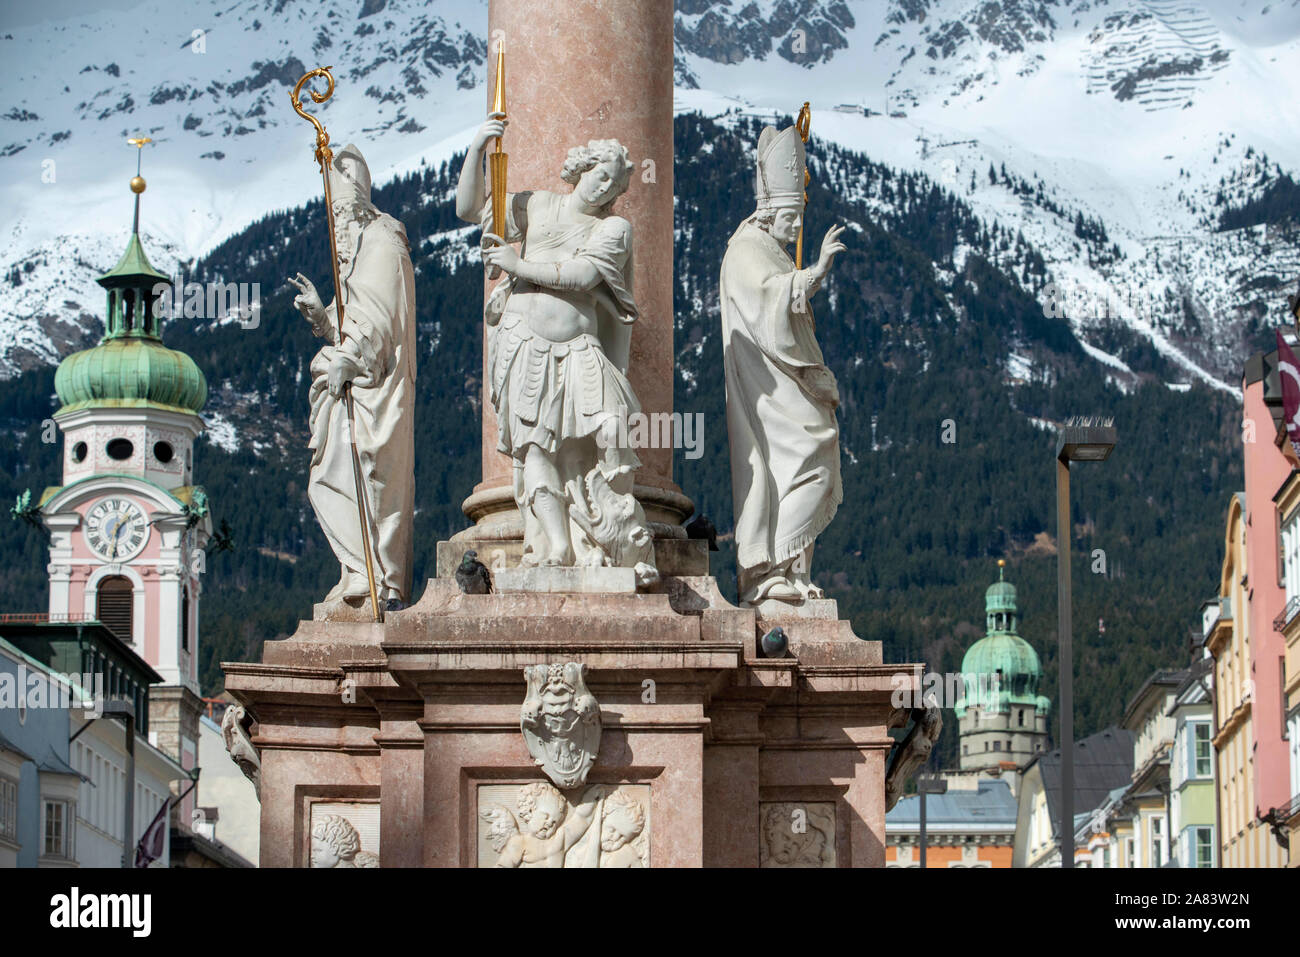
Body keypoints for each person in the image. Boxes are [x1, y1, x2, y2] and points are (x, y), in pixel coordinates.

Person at [455, 113, 655, 582]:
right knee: (534, 449)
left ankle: (608, 532)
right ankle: (556, 546)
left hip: (580, 349)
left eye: (615, 184)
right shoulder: (537, 206)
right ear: (581, 168)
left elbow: (584, 277)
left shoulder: (614, 230)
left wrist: (516, 265)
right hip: (522, 343)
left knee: (609, 431)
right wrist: (476, 150)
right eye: (600, 174)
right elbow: (469, 209)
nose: (604, 188)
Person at [720, 123, 846, 606]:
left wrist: (801, 279)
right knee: (804, 461)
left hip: (787, 379)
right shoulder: (747, 248)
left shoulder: (768, 247)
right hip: (769, 386)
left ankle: (793, 571)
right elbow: (766, 300)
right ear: (768, 208)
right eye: (790, 216)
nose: (796, 227)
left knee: (811, 461)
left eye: (800, 216)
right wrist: (811, 274)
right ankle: (772, 568)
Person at [287, 144, 416, 610]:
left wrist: (347, 358)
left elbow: (382, 323)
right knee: (327, 477)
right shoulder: (357, 251)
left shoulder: (382, 242)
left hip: (373, 390)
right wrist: (324, 320)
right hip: (348, 385)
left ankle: (376, 575)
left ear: (359, 207)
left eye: (341, 211)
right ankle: (357, 568)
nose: (336, 225)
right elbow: (355, 321)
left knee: (369, 474)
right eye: (333, 212)